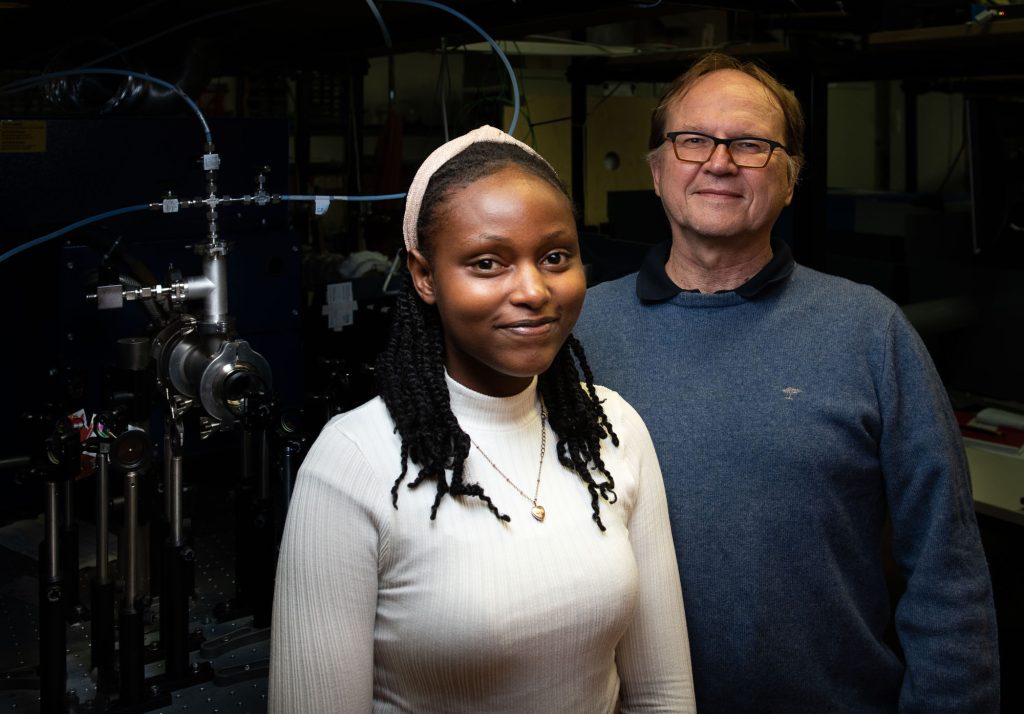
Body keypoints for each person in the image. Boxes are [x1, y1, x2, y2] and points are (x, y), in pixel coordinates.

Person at [573, 53, 1000, 713]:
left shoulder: (869, 332)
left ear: (791, 180)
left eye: (751, 144)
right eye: (693, 141)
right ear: (657, 170)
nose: (719, 162)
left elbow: (947, 570)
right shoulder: (579, 336)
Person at [269, 125, 695, 713]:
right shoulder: (354, 461)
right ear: (424, 275)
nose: (533, 290)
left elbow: (662, 694)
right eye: (488, 262)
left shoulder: (612, 427)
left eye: (554, 257)